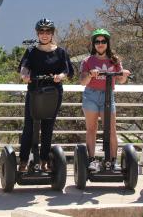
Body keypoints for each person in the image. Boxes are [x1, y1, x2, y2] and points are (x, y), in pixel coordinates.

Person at [18, 18, 74, 172]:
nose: (44, 34)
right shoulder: (31, 50)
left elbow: (68, 70)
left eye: (47, 31)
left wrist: (60, 76)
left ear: (52, 33)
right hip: (35, 91)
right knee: (29, 126)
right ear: (37, 33)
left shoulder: (60, 52)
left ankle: (44, 160)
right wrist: (25, 75)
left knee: (48, 127)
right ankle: (23, 161)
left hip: (53, 93)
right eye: (41, 31)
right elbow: (24, 66)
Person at [79, 29, 130, 171]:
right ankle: (91, 160)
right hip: (91, 96)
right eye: (97, 42)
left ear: (107, 43)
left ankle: (113, 161)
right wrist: (90, 74)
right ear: (93, 44)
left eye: (103, 41)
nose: (100, 44)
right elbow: (83, 82)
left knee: (111, 130)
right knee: (91, 129)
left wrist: (124, 74)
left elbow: (121, 79)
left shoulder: (114, 60)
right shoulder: (87, 61)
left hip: (109, 95)